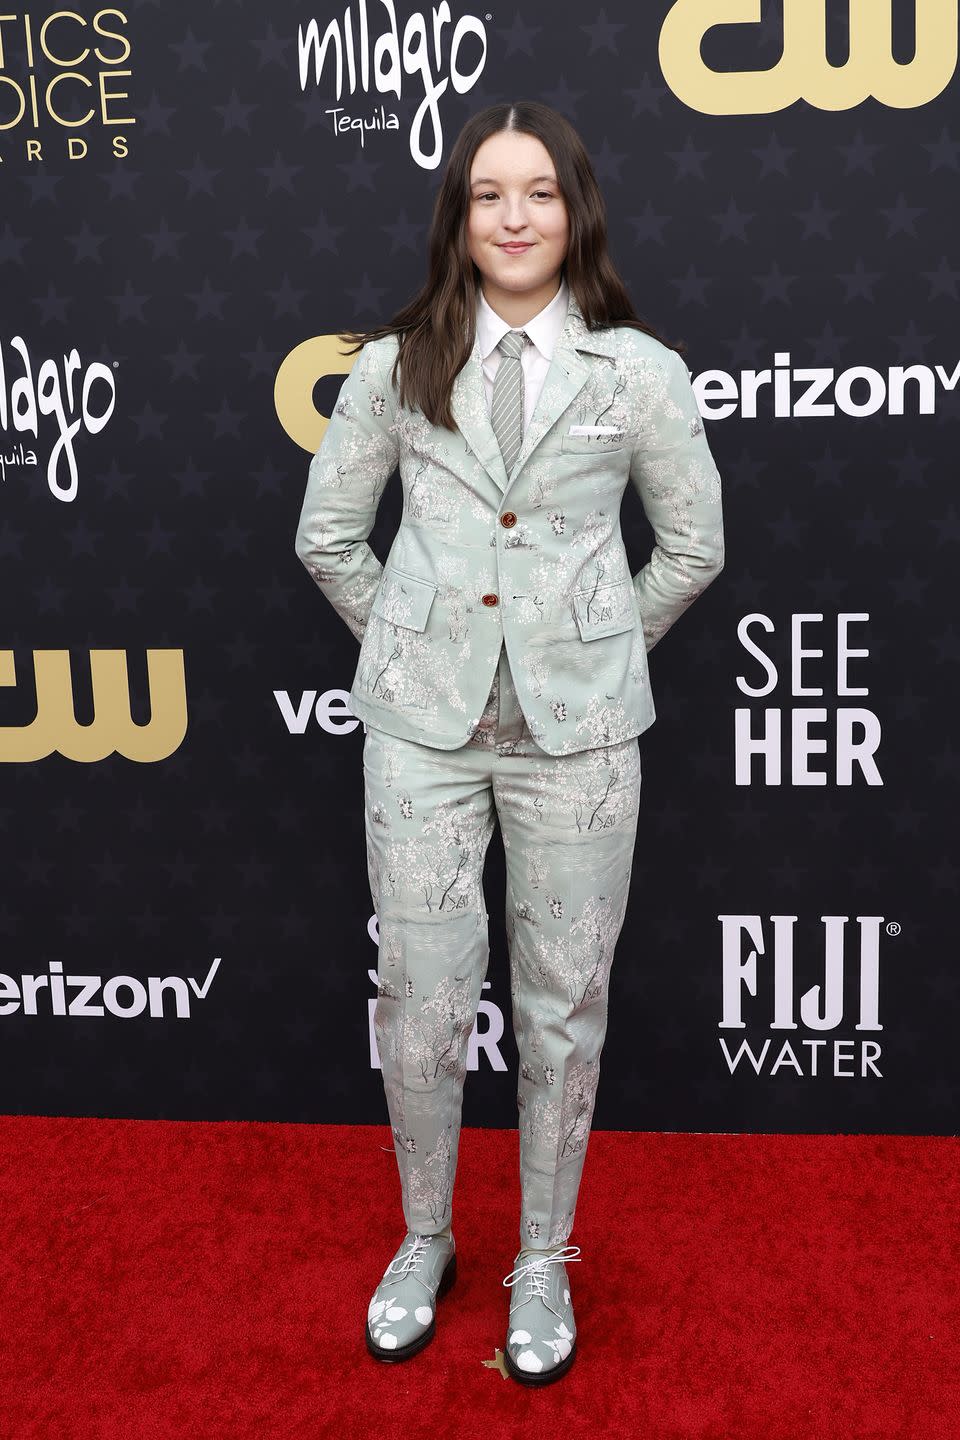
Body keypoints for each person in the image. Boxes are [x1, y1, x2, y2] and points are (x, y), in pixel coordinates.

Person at [294, 99, 725, 1385]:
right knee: (422, 1006)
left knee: (563, 1008)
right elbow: (329, 536)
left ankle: (543, 1261)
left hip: (581, 743)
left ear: (574, 209)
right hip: (421, 737)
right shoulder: (395, 366)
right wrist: (417, 644)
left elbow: (693, 547)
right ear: (460, 218)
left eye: (538, 191)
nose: (516, 215)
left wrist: (589, 651)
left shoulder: (638, 373)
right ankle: (425, 1240)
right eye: (489, 195)